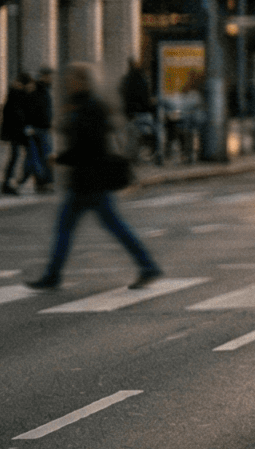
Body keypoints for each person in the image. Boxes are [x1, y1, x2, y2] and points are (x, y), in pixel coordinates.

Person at [28, 63, 160, 291]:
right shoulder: (83, 105)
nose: (68, 83)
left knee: (76, 227)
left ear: (83, 81)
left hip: (90, 181)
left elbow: (87, 146)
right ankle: (147, 266)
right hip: (88, 180)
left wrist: (60, 158)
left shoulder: (90, 107)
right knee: (102, 226)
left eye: (72, 79)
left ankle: (53, 275)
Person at [20, 68, 57, 194]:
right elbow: (31, 108)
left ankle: (43, 182)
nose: (51, 79)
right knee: (39, 157)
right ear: (44, 76)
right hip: (38, 128)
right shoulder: (37, 89)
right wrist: (29, 125)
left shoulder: (45, 89)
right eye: (49, 76)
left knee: (40, 157)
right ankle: (43, 182)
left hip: (43, 128)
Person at [0, 74, 33, 194]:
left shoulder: (15, 94)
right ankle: (9, 182)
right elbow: (17, 115)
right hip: (17, 132)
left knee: (16, 156)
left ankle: (11, 181)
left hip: (17, 131)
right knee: (16, 156)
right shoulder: (17, 95)